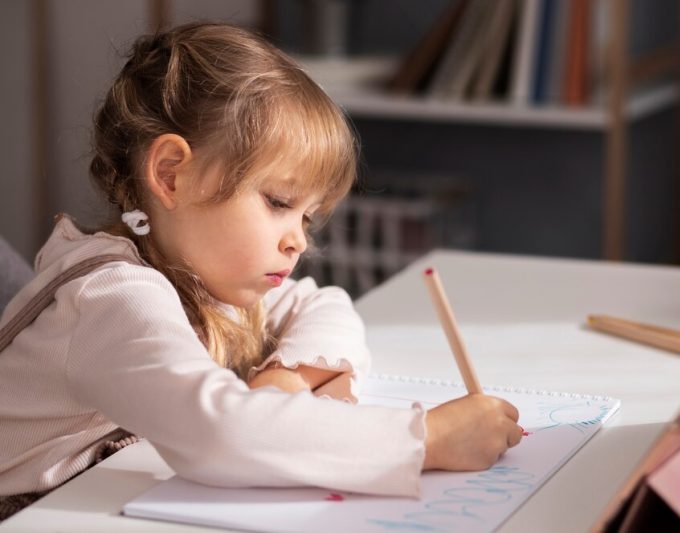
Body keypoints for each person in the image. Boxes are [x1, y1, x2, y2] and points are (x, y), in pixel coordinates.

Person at [0, 22, 521, 518]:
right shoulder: (113, 298)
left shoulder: (202, 273)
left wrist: (285, 374)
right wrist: (426, 439)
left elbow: (323, 302)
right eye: (277, 201)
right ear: (171, 175)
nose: (298, 240)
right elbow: (221, 436)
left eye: (307, 216)